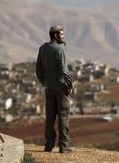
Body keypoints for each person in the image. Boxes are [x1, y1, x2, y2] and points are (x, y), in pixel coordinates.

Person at [36, 25, 73, 153]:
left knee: (50, 117)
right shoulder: (59, 49)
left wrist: (45, 82)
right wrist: (70, 85)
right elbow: (64, 70)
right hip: (61, 87)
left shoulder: (42, 49)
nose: (63, 37)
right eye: (61, 34)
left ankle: (49, 145)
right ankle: (64, 147)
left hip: (49, 87)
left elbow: (39, 71)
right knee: (63, 116)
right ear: (56, 35)